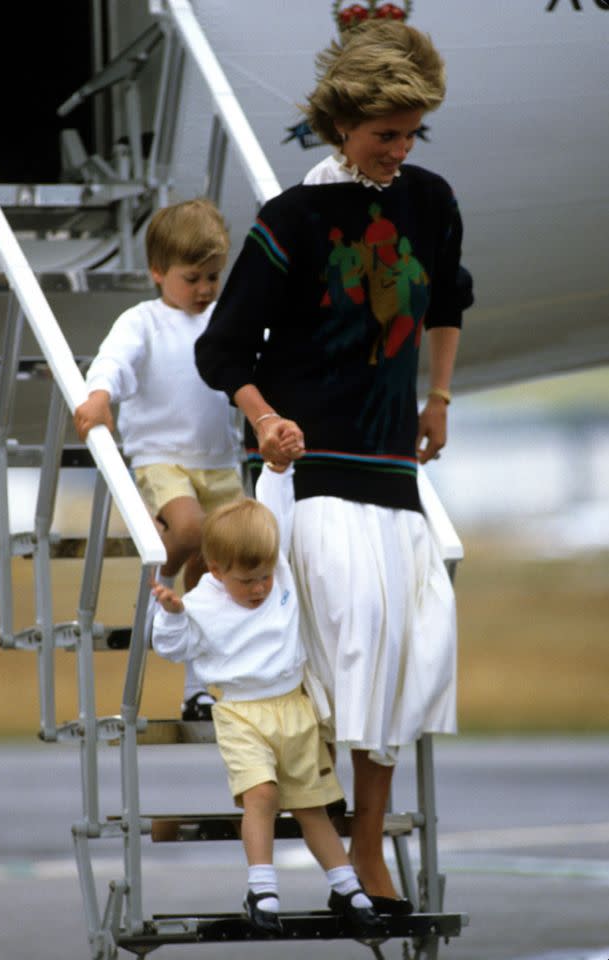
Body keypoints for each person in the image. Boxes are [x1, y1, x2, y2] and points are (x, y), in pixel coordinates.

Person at [193, 20, 474, 906]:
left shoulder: (429, 200)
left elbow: (449, 297)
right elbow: (224, 349)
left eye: (409, 132)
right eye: (383, 133)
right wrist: (266, 418)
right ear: (339, 125)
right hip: (309, 466)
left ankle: (365, 844)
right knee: (345, 648)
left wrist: (439, 397)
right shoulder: (294, 219)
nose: (398, 149)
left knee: (404, 654)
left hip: (394, 461)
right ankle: (346, 855)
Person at [150, 464, 388, 938]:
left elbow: (274, 508)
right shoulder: (201, 603)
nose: (259, 588)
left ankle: (345, 885)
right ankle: (262, 885)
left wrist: (278, 468)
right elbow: (172, 648)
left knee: (312, 805)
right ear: (216, 570)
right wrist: (174, 615)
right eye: (247, 581)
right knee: (261, 795)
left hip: (294, 707)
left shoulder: (278, 576)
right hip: (242, 713)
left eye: (264, 576)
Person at [73, 199, 244, 721]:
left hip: (220, 465)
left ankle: (199, 688)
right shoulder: (143, 321)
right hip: (161, 461)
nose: (205, 289)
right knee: (188, 529)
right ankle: (156, 586)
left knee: (218, 575)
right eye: (192, 277)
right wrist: (99, 394)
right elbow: (115, 362)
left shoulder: (225, 320)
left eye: (214, 276)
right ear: (157, 272)